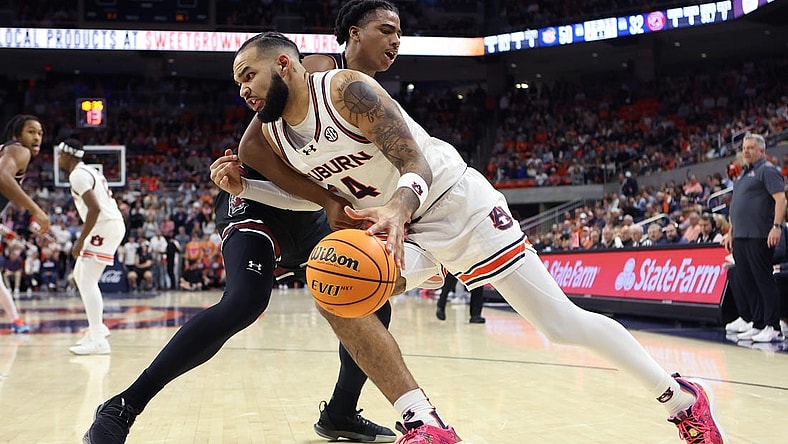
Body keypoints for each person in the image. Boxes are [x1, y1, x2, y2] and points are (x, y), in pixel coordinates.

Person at [212, 31, 727, 443]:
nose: (243, 90)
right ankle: (424, 423)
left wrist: (398, 204)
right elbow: (313, 197)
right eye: (238, 85)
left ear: (283, 64)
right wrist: (247, 186)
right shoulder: (269, 138)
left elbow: (413, 159)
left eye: (247, 75)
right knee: (334, 290)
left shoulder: (347, 91)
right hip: (397, 231)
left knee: (560, 324)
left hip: (453, 205)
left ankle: (682, 399)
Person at [83, 2, 404, 443]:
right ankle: (121, 406)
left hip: (307, 210)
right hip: (254, 201)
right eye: (385, 30)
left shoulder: (367, 95)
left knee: (369, 300)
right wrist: (326, 198)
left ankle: (341, 413)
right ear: (353, 35)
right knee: (245, 302)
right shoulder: (319, 68)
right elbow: (251, 147)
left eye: (398, 33)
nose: (395, 41)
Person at [58, 138, 126, 355]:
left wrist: (80, 239)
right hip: (108, 224)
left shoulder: (77, 175)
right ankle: (97, 329)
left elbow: (94, 209)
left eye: (60, 154)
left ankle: (98, 339)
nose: (58, 158)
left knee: (87, 280)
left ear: (68, 155)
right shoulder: (87, 171)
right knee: (80, 275)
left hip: (104, 225)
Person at [721, 133, 786, 343]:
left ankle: (773, 327)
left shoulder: (767, 171)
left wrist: (776, 226)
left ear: (761, 151)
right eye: (744, 148)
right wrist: (730, 232)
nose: (746, 151)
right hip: (740, 237)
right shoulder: (741, 175)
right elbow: (735, 207)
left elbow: (780, 199)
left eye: (750, 147)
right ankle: (758, 323)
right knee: (748, 281)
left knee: (764, 281)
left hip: (759, 236)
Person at [0, 114, 51, 333]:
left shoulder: (7, 150)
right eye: (31, 131)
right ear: (17, 135)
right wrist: (36, 210)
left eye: (40, 133)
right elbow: (2, 177)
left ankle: (16, 320)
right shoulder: (19, 150)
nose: (37, 137)